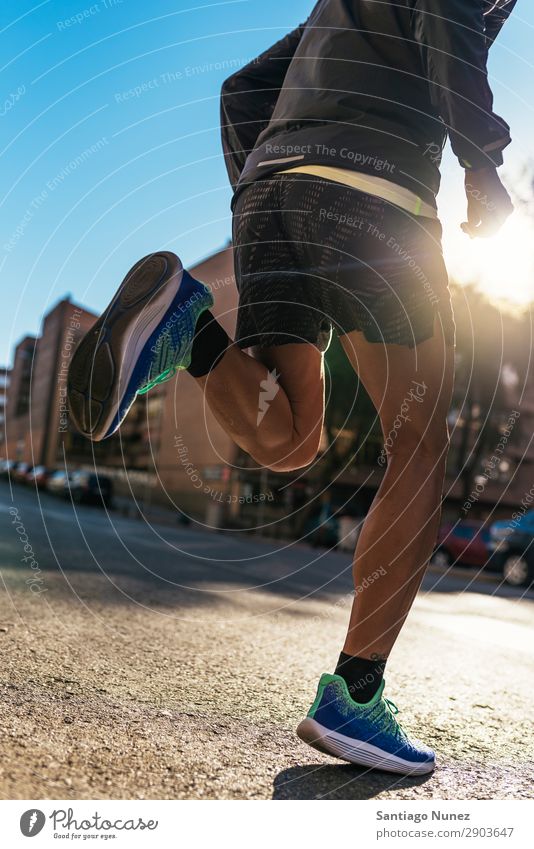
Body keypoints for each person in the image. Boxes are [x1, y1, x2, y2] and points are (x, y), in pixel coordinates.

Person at [67, 0, 516, 775]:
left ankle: (191, 330)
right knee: (418, 443)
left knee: (287, 437)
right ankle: (356, 694)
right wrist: (483, 164)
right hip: (380, 200)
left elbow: (243, 90)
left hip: (272, 192)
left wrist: (266, 194)